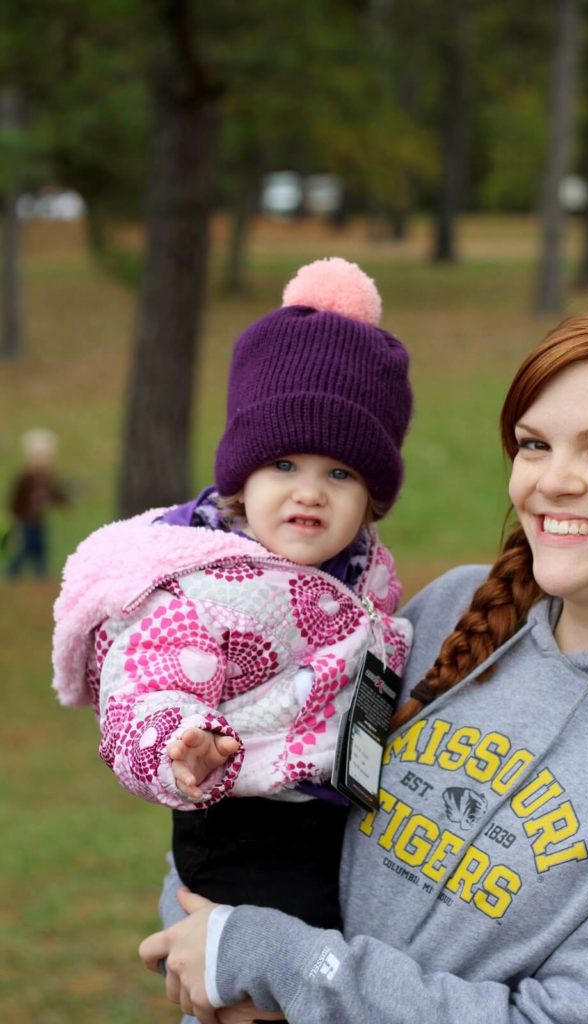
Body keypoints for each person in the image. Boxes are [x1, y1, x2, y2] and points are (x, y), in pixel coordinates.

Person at [140, 301, 588, 1024]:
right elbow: (262, 787)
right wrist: (213, 941)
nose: (553, 481)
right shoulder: (452, 610)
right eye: (533, 444)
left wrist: (278, 962)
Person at [52, 258, 413, 997]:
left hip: (335, 823)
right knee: (276, 993)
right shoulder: (202, 584)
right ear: (243, 477)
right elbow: (142, 690)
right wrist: (181, 752)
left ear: (372, 497)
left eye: (341, 474)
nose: (310, 492)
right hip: (248, 830)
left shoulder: (366, 571)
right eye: (284, 464)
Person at [5, 428, 68, 578]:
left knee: (41, 547)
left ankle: (41, 573)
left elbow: (55, 493)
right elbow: (16, 497)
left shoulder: (47, 478)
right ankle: (12, 571)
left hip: (40, 519)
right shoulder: (25, 478)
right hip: (26, 519)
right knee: (26, 547)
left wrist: (64, 505)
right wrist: (14, 514)